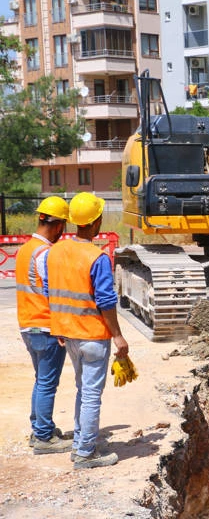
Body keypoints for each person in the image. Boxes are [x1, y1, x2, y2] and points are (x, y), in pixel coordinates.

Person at [47, 192, 129, 469]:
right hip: (93, 336)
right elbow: (106, 302)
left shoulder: (56, 250)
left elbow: (52, 292)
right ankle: (85, 454)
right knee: (91, 394)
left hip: (68, 334)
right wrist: (117, 335)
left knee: (82, 390)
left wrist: (57, 325)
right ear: (96, 222)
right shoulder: (97, 257)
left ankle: (82, 443)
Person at [16, 196, 73, 455]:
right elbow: (53, 294)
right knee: (48, 383)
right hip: (45, 326)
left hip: (28, 325)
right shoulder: (45, 253)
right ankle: (43, 437)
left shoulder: (26, 249)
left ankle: (40, 428)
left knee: (41, 381)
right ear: (59, 225)